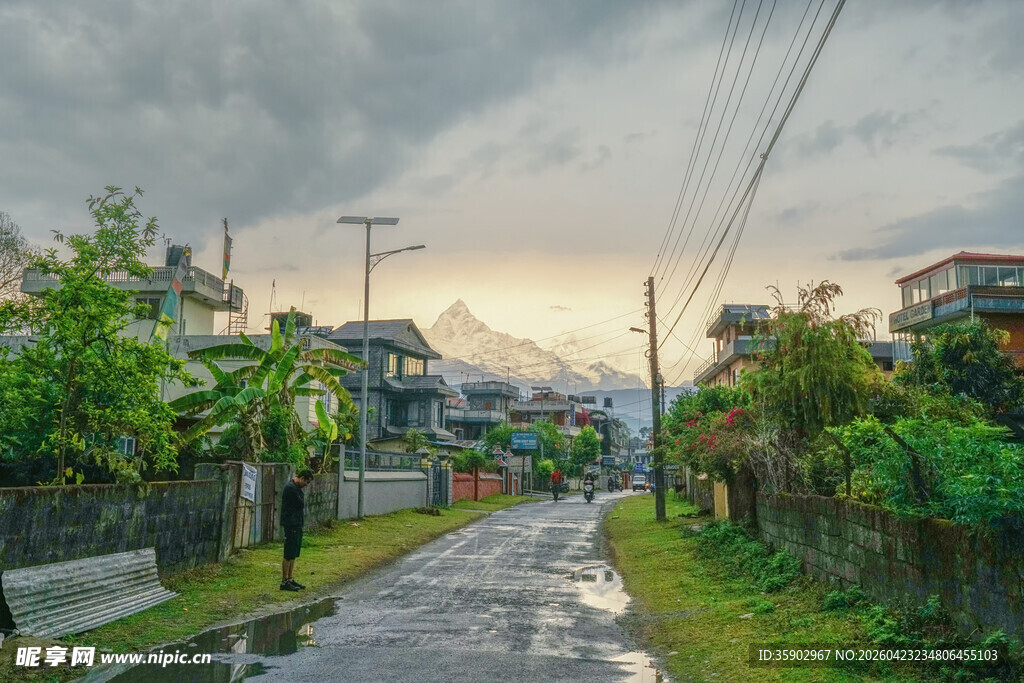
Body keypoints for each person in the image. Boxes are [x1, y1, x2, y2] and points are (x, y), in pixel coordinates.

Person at [280, 468, 314, 591]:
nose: (306, 485)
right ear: (302, 478)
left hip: (296, 523)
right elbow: (300, 504)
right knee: (288, 553)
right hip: (291, 523)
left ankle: (290, 578)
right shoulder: (291, 488)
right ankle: (284, 581)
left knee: (293, 553)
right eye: (306, 482)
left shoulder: (296, 489)